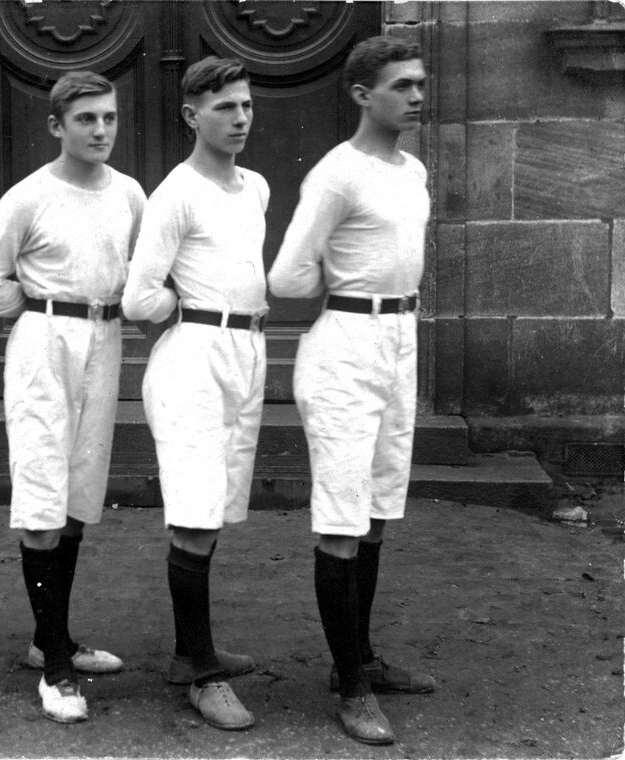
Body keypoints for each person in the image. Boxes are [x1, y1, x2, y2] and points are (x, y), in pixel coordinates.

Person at [268, 36, 435, 745]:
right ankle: (352, 686)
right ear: (364, 95)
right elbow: (287, 275)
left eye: (420, 83)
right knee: (342, 520)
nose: (417, 95)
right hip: (345, 350)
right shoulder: (337, 174)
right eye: (402, 85)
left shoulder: (414, 170)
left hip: (400, 343)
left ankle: (360, 658)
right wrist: (342, 295)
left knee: (377, 511)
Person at [0, 71, 145, 724]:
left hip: (106, 341)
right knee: (42, 497)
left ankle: (52, 640)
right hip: (45, 345)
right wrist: (43, 304)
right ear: (56, 125)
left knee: (76, 498)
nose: (101, 130)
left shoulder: (128, 193)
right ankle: (56, 671)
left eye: (109, 118)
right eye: (87, 119)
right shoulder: (28, 197)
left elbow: (141, 270)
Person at [122, 56, 266, 731]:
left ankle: (193, 650)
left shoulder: (256, 187)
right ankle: (201, 674)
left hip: (246, 356)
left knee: (216, 506)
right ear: (191, 115)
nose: (239, 118)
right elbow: (137, 297)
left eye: (245, 105)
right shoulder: (175, 194)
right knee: (195, 513)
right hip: (193, 362)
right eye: (224, 107)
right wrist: (183, 305)